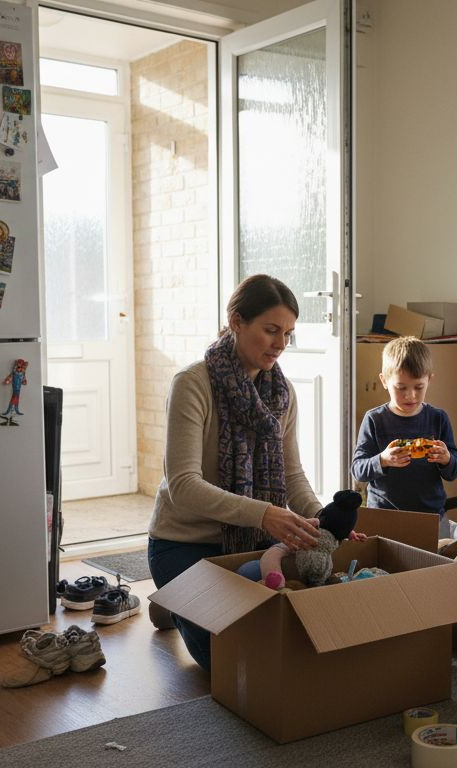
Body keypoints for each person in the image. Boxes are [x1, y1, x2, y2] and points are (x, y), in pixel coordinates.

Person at [146, 274, 325, 672]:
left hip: (250, 545)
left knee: (296, 641)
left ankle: (175, 605)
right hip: (184, 543)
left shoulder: (282, 394)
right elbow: (183, 488)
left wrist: (322, 521)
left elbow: (292, 475)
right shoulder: (192, 384)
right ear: (236, 321)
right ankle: (175, 601)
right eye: (271, 330)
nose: (281, 344)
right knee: (232, 663)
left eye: (288, 333)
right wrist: (264, 514)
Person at [351, 337, 457, 539]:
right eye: (401, 387)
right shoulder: (375, 419)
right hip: (384, 517)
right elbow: (357, 470)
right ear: (384, 381)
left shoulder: (438, 418)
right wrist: (383, 460)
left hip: (431, 517)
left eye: (418, 387)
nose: (410, 395)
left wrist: (446, 459)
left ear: (429, 380)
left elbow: (454, 471)